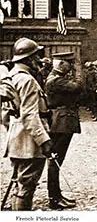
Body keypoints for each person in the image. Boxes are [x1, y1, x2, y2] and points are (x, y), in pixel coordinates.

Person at [2, 38, 53, 210]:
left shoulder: (11, 78)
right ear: (29, 59)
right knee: (26, 187)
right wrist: (44, 140)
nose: (39, 60)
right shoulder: (27, 80)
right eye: (37, 56)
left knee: (20, 184)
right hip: (30, 144)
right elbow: (30, 115)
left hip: (18, 140)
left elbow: (5, 115)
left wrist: (13, 131)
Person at [45, 52, 82, 210]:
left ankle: (57, 195)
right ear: (60, 64)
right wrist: (80, 71)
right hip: (61, 121)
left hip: (62, 120)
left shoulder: (56, 78)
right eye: (69, 63)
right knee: (55, 162)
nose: (71, 66)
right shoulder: (56, 80)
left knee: (56, 161)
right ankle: (54, 198)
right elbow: (78, 87)